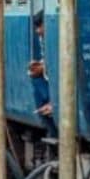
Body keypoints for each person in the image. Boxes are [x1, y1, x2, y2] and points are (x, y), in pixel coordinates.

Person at [29, 11, 57, 139]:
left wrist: (44, 67)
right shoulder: (45, 39)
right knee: (34, 75)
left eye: (40, 26)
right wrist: (40, 65)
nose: (38, 31)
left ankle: (51, 107)